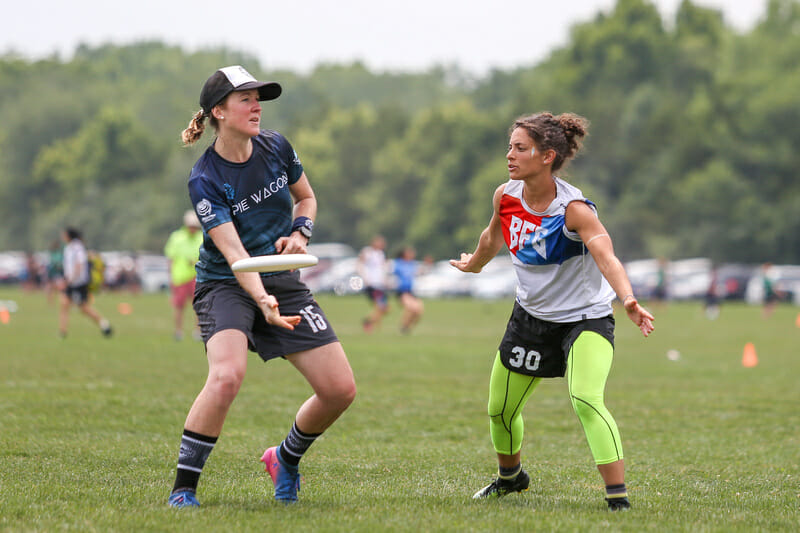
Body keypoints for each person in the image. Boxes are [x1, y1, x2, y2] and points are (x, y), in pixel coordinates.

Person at [168, 65, 356, 508]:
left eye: (259, 98)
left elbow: (306, 197)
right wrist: (262, 300)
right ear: (219, 111)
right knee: (227, 375)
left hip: (281, 280)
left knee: (339, 390)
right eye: (245, 99)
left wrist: (300, 233)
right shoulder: (205, 179)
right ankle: (183, 489)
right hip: (225, 285)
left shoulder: (276, 146)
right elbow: (236, 257)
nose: (257, 107)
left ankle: (284, 459)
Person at [450, 112, 654, 512]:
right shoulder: (505, 195)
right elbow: (492, 237)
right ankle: (511, 480)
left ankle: (618, 500)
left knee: (585, 399)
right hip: (530, 320)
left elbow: (606, 255)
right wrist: (474, 263)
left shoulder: (573, 209)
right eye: (510, 146)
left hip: (585, 321)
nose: (510, 155)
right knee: (500, 410)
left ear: (547, 156)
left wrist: (627, 297)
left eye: (520, 148)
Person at [58, 227, 113, 338]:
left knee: (84, 308)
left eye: (64, 234)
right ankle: (62, 332)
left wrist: (69, 280)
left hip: (77, 283)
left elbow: (79, 265)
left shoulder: (77, 247)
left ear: (69, 235)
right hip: (70, 282)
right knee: (64, 304)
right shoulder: (69, 247)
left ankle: (104, 324)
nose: (62, 236)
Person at [164, 210, 204, 340]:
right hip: (180, 277)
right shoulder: (177, 237)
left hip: (197, 276)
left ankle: (197, 331)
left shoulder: (201, 237)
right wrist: (170, 276)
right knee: (179, 306)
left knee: (198, 305)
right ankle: (178, 331)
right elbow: (170, 257)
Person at [357, 235, 389, 332]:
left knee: (383, 308)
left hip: (380, 284)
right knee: (380, 307)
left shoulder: (381, 254)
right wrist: (364, 277)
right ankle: (369, 324)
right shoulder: (367, 252)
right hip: (372, 284)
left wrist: (385, 280)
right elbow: (359, 264)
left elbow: (382, 269)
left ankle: (370, 322)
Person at [393, 245, 424, 334]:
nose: (411, 254)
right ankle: (404, 326)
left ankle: (406, 327)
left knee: (419, 310)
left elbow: (417, 272)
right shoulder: (398, 263)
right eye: (409, 252)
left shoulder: (412, 264)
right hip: (402, 291)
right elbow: (394, 272)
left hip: (411, 291)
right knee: (411, 308)